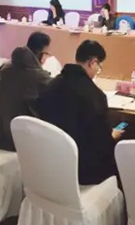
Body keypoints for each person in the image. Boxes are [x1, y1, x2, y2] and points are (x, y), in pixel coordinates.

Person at [38, 40, 122, 185]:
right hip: (82, 171)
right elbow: (103, 142)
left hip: (51, 163)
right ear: (93, 63)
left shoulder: (52, 84)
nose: (97, 71)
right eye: (99, 67)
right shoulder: (95, 96)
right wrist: (111, 135)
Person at [0, 32, 53, 152]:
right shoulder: (40, 77)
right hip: (17, 141)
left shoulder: (5, 66)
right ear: (41, 55)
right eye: (47, 54)